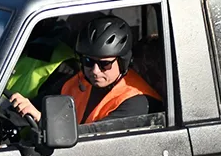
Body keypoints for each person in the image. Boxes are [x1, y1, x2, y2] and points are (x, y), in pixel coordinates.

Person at [9, 15, 163, 125]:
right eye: (88, 61)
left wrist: (42, 120)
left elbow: (93, 137)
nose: (95, 70)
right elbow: (39, 104)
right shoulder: (81, 79)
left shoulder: (138, 102)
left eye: (105, 64)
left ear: (123, 61)